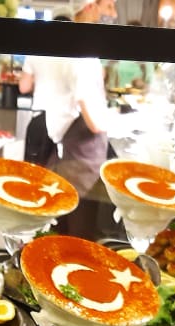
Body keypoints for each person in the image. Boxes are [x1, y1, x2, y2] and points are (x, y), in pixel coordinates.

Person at [19, 21, 110, 237]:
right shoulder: (81, 59)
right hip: (62, 125)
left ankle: (35, 235)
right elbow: (90, 115)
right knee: (54, 192)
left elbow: (24, 86)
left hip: (41, 121)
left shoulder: (39, 52)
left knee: (39, 191)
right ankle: (46, 235)